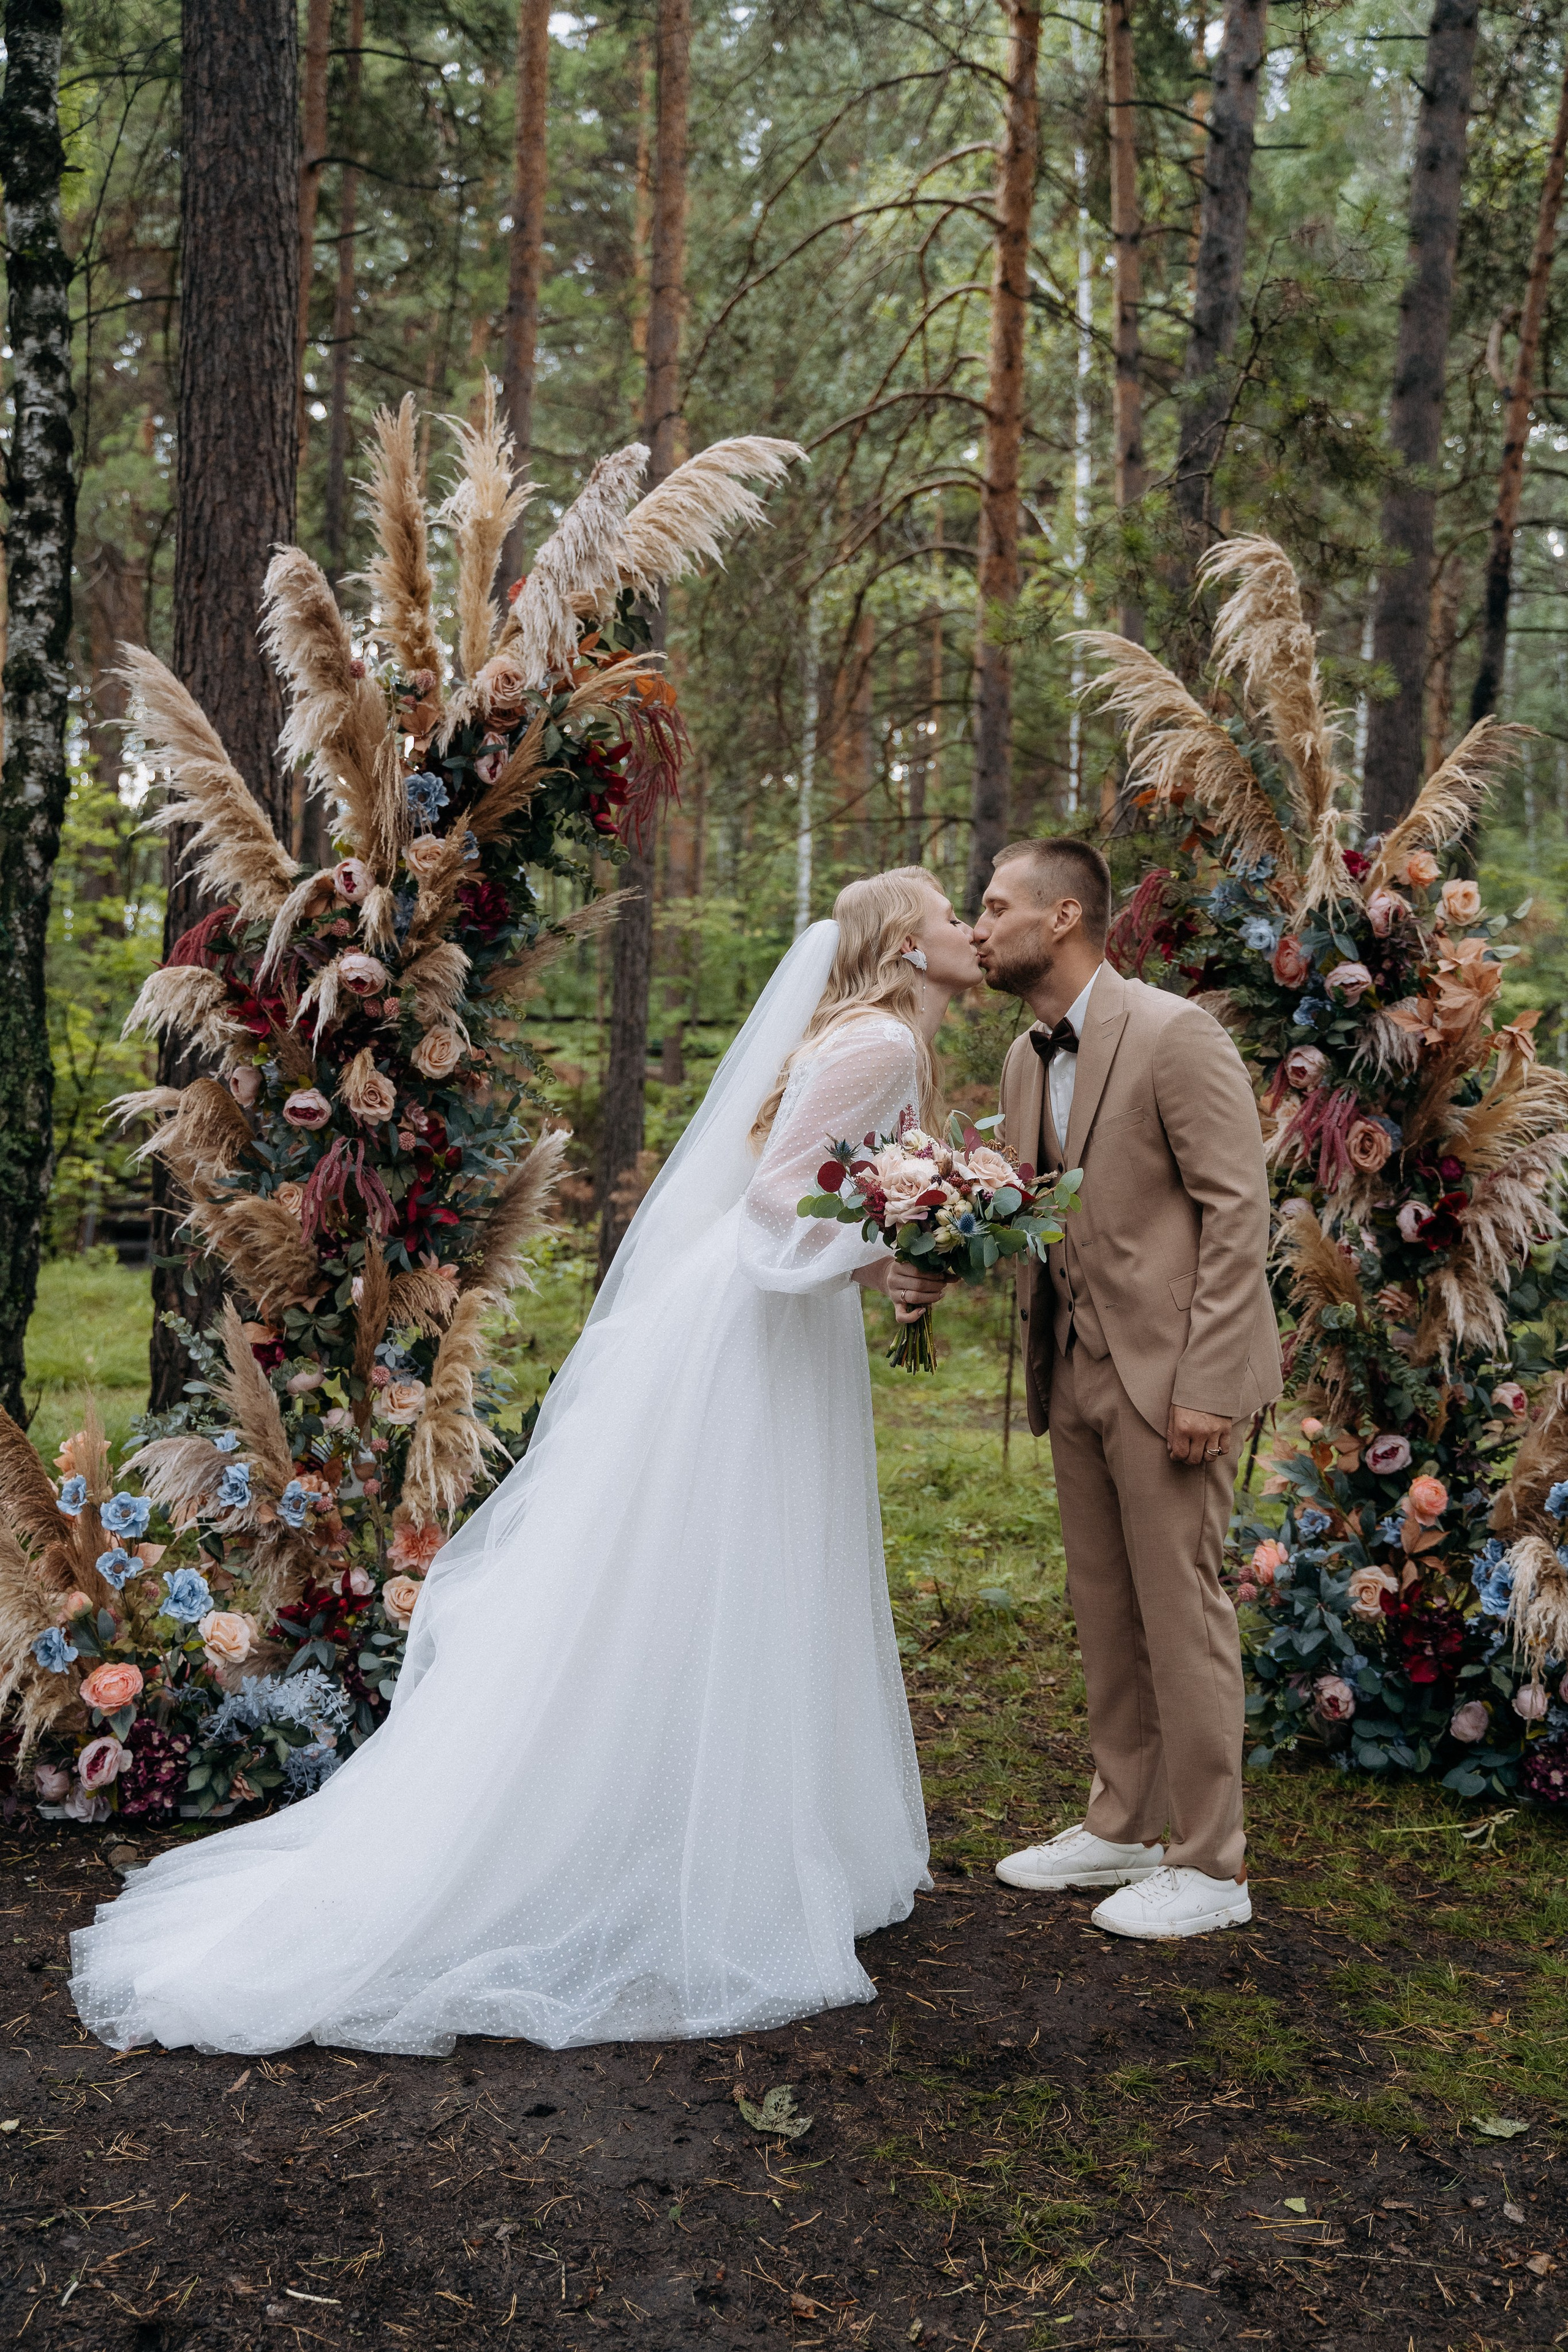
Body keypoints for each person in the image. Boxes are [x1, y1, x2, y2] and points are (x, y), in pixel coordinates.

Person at [68, 870, 980, 2057]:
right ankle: (708, 1846)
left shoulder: (861, 1034)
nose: (969, 929)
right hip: (756, 1327)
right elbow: (776, 1196)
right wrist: (897, 1237)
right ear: (906, 942)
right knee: (745, 1556)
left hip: (761, 1313)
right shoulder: (883, 1043)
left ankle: (723, 1820)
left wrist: (891, 1249)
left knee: (722, 1561)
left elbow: (807, 1196)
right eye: (951, 916)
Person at [972, 839, 1281, 1940]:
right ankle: (1125, 1825)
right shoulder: (1023, 1059)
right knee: (1106, 1607)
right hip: (1073, 1368)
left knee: (1182, 1613)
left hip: (1172, 1377)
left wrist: (1208, 1381)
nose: (978, 927)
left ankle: (1211, 1865)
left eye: (994, 907)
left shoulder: (1174, 1033)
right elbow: (1029, 1210)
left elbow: (1238, 1212)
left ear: (1062, 916)